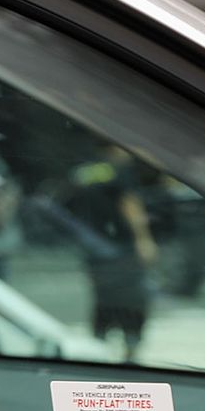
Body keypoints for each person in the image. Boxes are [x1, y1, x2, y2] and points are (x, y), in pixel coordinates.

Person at [67, 146, 159, 360]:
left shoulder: (88, 168)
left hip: (95, 247)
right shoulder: (121, 169)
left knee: (103, 297)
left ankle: (99, 343)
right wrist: (144, 239)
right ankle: (131, 348)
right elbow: (129, 203)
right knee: (133, 298)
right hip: (122, 246)